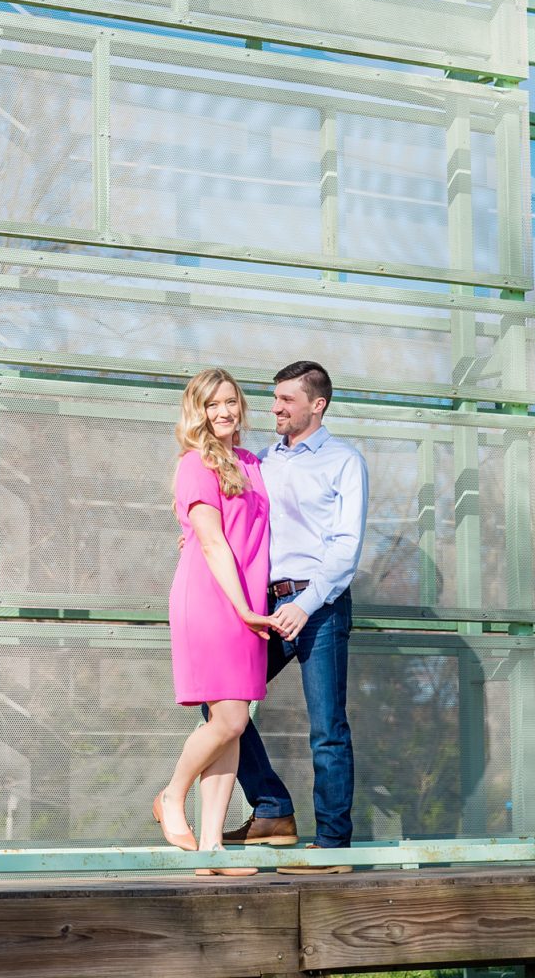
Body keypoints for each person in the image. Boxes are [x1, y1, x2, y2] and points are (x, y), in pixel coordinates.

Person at [223, 360, 369, 874]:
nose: (275, 408)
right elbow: (239, 520)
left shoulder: (343, 461)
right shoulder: (262, 461)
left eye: (286, 399)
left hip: (320, 605)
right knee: (221, 704)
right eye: (275, 398)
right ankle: (272, 808)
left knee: (327, 727)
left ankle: (333, 847)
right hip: (266, 605)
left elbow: (346, 548)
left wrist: (304, 607)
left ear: (317, 404)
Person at [153, 368, 277, 877]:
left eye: (230, 401)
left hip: (247, 601)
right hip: (212, 599)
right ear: (197, 412)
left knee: (231, 726)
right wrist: (245, 607)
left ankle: (211, 850)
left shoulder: (251, 461)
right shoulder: (194, 463)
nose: (224, 411)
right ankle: (171, 794)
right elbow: (210, 540)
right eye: (213, 405)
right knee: (229, 720)